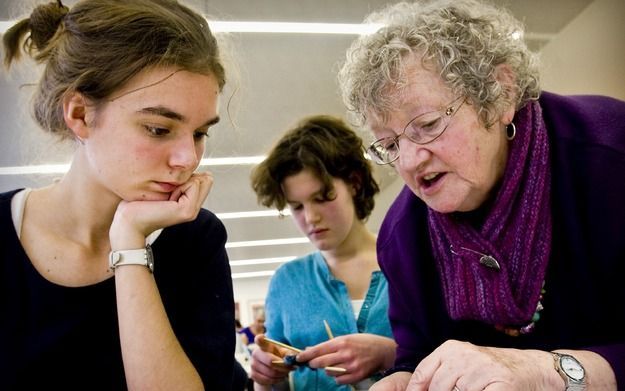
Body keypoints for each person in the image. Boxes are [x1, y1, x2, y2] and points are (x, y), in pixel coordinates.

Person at [337, 0, 625, 390]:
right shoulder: (402, 236)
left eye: (427, 124)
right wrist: (401, 381)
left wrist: (547, 374)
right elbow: (415, 353)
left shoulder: (609, 155)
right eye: (388, 145)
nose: (408, 161)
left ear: (500, 93)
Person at [0, 0, 238, 389]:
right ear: (79, 115)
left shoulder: (195, 239)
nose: (188, 158)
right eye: (159, 129)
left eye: (200, 133)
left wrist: (128, 242)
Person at [249, 115, 397, 390]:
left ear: (354, 183)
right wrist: (267, 377)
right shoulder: (288, 283)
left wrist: (390, 355)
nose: (311, 217)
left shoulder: (408, 264)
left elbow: (452, 357)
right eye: (297, 206)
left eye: (322, 198)